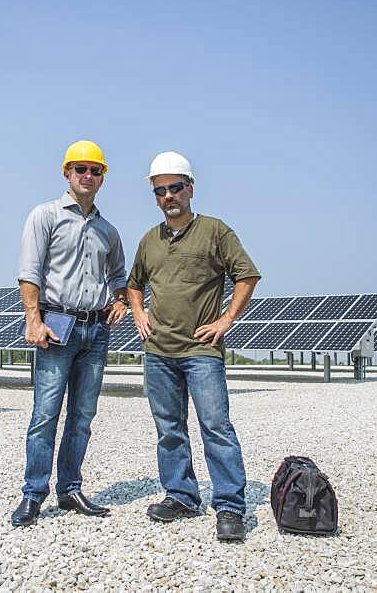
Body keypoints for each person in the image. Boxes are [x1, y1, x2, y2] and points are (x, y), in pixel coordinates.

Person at [126, 151, 261, 542]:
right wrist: (139, 313)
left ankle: (230, 506)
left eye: (175, 187)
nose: (168, 196)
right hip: (158, 352)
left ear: (190, 188)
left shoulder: (215, 231)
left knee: (215, 427)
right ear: (154, 195)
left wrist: (225, 320)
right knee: (169, 429)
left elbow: (246, 275)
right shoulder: (149, 240)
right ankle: (182, 496)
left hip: (201, 353)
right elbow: (134, 283)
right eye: (160, 190)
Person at [11, 139, 129, 527]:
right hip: (56, 323)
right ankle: (33, 493)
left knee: (82, 416)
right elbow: (29, 272)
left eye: (96, 170)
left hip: (96, 330)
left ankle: (70, 488)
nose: (88, 175)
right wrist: (33, 318)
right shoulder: (44, 216)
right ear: (67, 173)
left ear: (102, 178)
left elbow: (119, 277)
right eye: (81, 169)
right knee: (45, 414)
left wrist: (121, 301)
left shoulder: (109, 231)